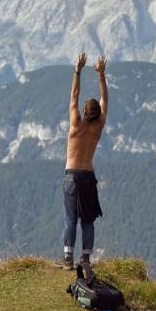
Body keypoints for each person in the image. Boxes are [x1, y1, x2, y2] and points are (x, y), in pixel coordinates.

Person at [60, 52, 107, 272]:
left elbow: (73, 95)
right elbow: (105, 99)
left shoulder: (76, 125)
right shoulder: (98, 127)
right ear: (97, 114)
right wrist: (101, 75)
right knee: (87, 218)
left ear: (84, 112)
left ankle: (68, 258)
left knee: (71, 218)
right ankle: (85, 258)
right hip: (88, 176)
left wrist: (77, 70)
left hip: (71, 175)